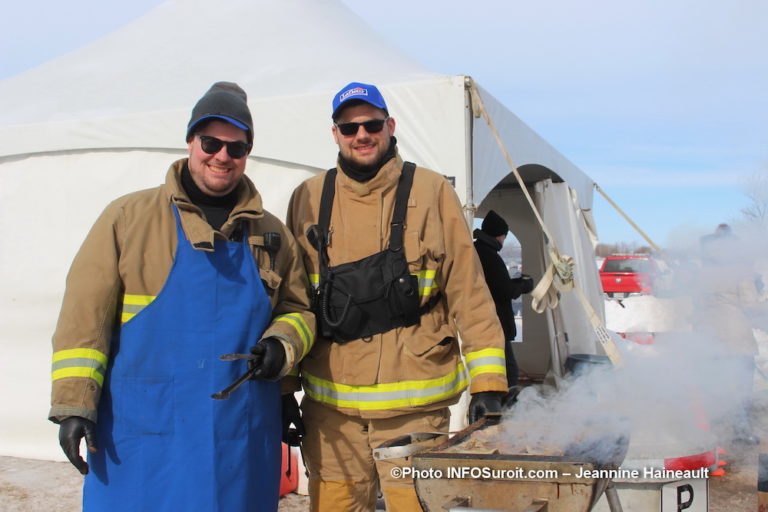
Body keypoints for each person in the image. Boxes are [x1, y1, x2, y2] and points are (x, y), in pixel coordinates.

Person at [49, 82, 315, 511]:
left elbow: (299, 311)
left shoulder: (271, 234)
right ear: (191, 140)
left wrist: (282, 348)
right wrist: (73, 405)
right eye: (211, 142)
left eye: (236, 147)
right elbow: (84, 321)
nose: (222, 156)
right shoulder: (127, 220)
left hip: (239, 436)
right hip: (141, 435)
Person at [286, 82, 509, 511]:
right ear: (335, 134)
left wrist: (489, 382)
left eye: (371, 124)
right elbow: (292, 301)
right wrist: (283, 390)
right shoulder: (309, 198)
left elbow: (469, 291)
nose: (361, 135)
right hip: (332, 415)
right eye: (348, 128)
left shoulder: (431, 192)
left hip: (416, 408)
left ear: (390, 126)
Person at [698, 223, 760, 445]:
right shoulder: (740, 269)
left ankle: (713, 430)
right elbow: (751, 304)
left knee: (716, 384)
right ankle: (741, 432)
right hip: (736, 336)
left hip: (709, 337)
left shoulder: (703, 270)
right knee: (741, 386)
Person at [473, 210, 533, 388]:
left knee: (494, 368)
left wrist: (515, 282)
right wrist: (524, 286)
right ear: (499, 235)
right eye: (504, 237)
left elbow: (495, 283)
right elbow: (503, 291)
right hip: (494, 321)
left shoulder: (477, 251)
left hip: (482, 320)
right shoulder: (490, 256)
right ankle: (508, 409)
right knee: (509, 370)